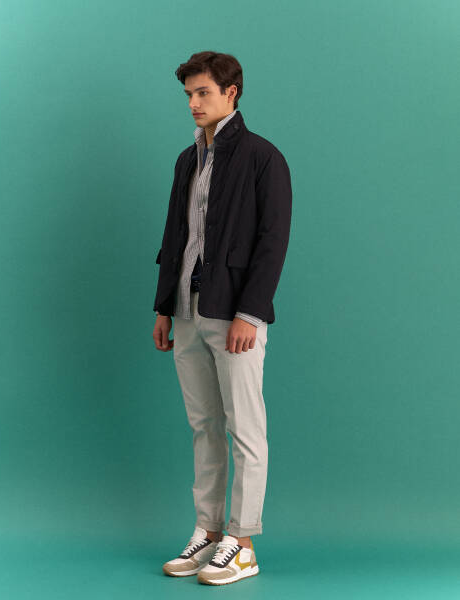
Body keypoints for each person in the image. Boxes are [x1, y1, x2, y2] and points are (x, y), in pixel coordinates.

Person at [152, 51, 292, 586]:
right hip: (188, 310)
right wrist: (164, 306)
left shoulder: (263, 158)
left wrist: (250, 313)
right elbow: (175, 237)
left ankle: (243, 543)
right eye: (188, 94)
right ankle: (209, 532)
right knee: (203, 426)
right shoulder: (186, 161)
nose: (193, 103)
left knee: (245, 427)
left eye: (203, 92)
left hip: (235, 313)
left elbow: (272, 241)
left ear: (231, 93)